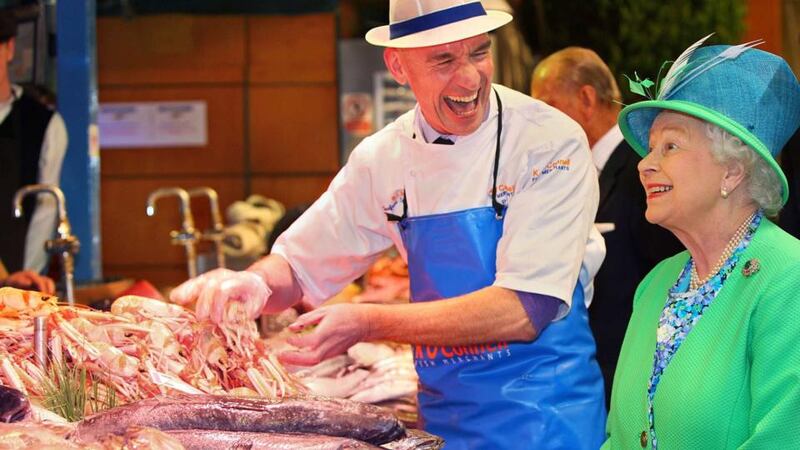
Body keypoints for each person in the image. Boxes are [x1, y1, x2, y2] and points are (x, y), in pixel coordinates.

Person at [172, 1, 607, 448]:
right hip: (445, 423)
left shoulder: (549, 141)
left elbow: (523, 309)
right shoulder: (383, 158)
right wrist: (255, 283)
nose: (470, 78)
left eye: (478, 52)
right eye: (444, 60)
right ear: (397, 65)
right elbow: (299, 264)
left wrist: (366, 322)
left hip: (548, 422)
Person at [603, 38, 800, 448]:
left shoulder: (788, 280)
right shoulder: (656, 283)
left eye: (670, 146)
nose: (644, 163)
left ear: (732, 171)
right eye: (651, 147)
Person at [531, 47, 683, 406]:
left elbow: (672, 273)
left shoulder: (642, 169)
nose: (537, 123)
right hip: (595, 376)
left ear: (586, 98)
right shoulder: (576, 171)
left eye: (546, 105)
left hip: (634, 376)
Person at [0, 9, 68, 280]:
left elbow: (46, 208)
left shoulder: (43, 123)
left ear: (9, 48)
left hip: (17, 278)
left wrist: (25, 274)